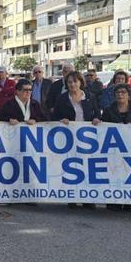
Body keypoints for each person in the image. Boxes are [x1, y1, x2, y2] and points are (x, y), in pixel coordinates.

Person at [52, 71, 100, 209]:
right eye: (70, 82)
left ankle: (88, 198)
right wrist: (61, 120)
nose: (73, 84)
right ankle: (72, 196)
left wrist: (97, 119)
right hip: (69, 139)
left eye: (75, 81)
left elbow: (96, 112)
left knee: (88, 167)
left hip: (87, 138)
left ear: (80, 82)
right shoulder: (62, 98)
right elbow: (54, 116)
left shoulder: (90, 96)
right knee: (71, 167)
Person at [101, 83, 131, 212]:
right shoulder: (108, 109)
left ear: (129, 94)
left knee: (130, 174)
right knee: (114, 173)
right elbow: (102, 127)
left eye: (123, 92)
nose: (120, 95)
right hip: (114, 149)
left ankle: (130, 201)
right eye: (118, 93)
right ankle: (113, 201)